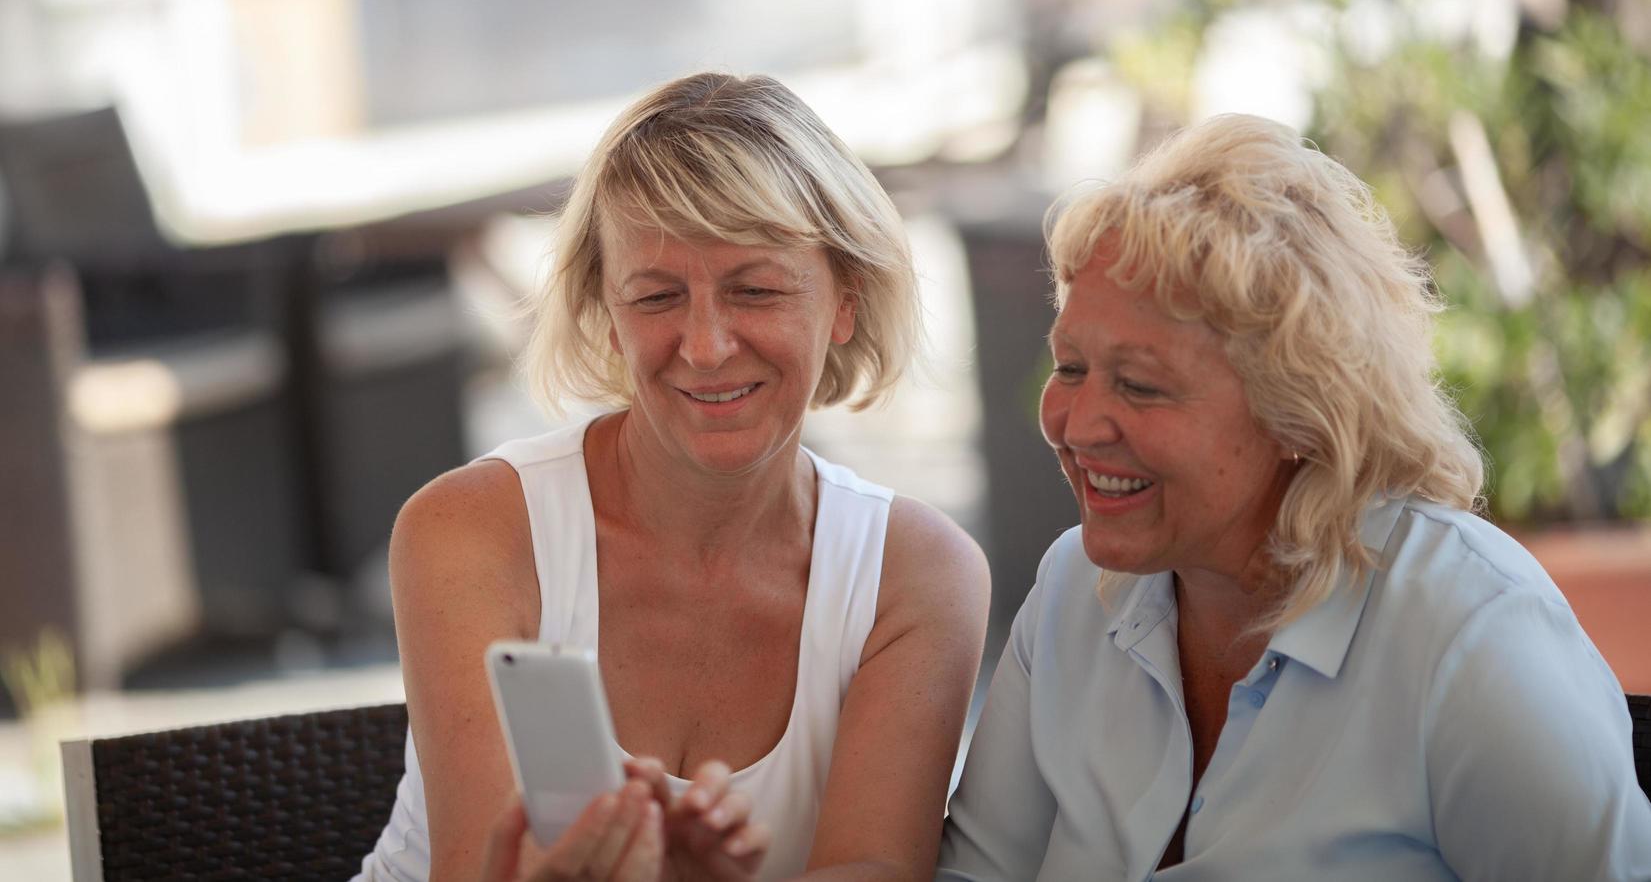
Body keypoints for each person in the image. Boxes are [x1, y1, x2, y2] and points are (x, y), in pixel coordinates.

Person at [937, 114, 1651, 881]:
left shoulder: (1468, 635)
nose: (1075, 425)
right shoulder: (1071, 591)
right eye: (1070, 368)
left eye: (1139, 385)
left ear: (1297, 413)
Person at [354, 72, 990, 882]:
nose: (705, 345)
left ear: (844, 301)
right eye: (656, 297)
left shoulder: (918, 575)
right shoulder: (474, 530)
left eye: (753, 290)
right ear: (606, 317)